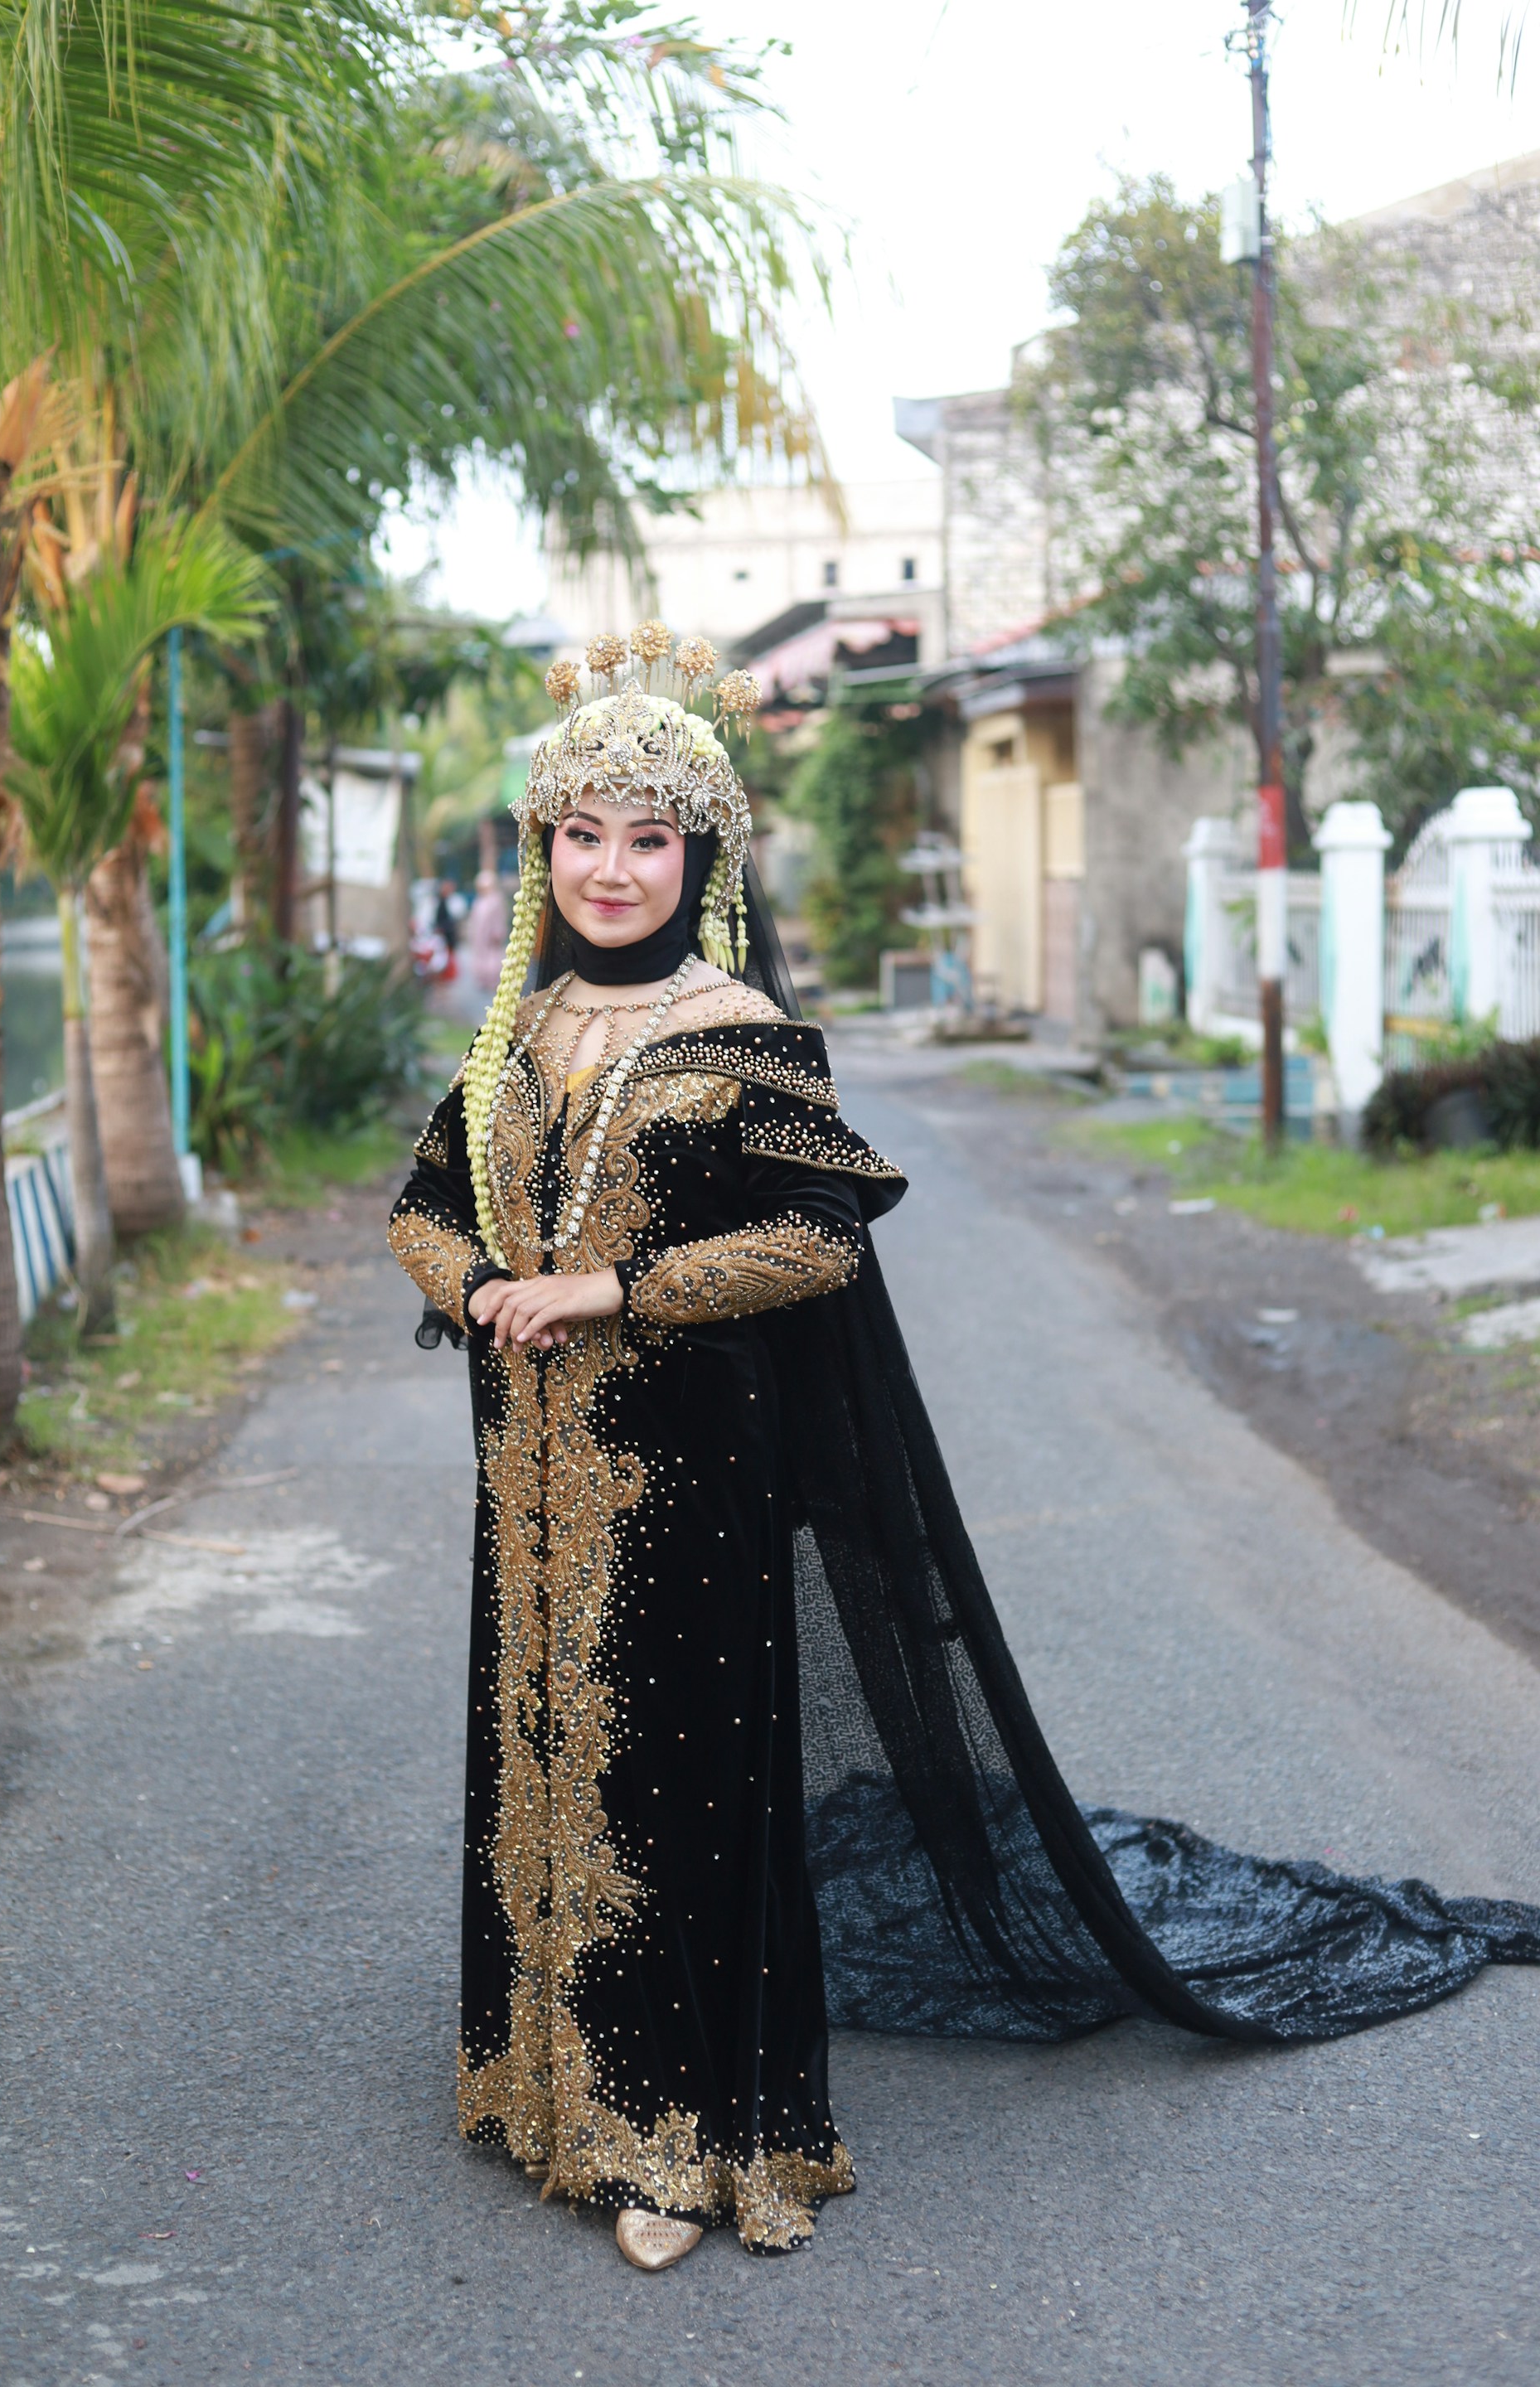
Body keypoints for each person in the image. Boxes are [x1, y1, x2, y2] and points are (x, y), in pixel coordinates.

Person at [390, 625, 1540, 2275]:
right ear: (544, 850)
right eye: (584, 836)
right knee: (545, 1761)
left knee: (674, 1789)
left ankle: (680, 2147)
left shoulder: (744, 1032)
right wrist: (490, 1281)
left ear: (699, 851)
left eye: (650, 838)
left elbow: (822, 1236)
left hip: (695, 1485)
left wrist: (615, 1290)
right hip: (531, 1485)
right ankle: (542, 2084)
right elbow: (421, 1213)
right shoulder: (524, 1027)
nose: (614, 868)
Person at [467, 864, 508, 997]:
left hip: (491, 936)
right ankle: (482, 979)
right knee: (481, 956)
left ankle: (493, 980)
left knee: (493, 957)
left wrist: (497, 932)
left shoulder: (496, 900)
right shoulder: (479, 901)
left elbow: (499, 918)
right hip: (480, 936)